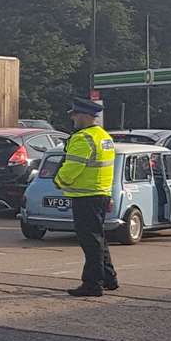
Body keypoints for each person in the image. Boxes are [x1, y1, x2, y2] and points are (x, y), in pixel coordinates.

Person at [55, 99, 118, 297]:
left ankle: (92, 284)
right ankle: (109, 278)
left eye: (74, 114)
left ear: (83, 115)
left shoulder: (83, 138)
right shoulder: (103, 136)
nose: (72, 118)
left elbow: (73, 167)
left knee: (90, 241)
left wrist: (59, 181)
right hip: (100, 193)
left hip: (85, 196)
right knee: (99, 239)